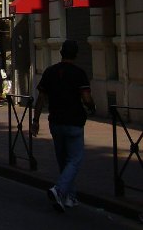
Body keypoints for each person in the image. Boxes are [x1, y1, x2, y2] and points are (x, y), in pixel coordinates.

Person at [30, 39, 96, 212]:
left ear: (61, 53)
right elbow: (86, 97)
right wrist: (92, 107)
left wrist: (35, 121)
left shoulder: (50, 72)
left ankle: (69, 197)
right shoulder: (79, 73)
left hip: (56, 122)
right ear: (76, 54)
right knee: (74, 160)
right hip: (73, 122)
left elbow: (41, 99)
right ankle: (59, 190)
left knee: (63, 161)